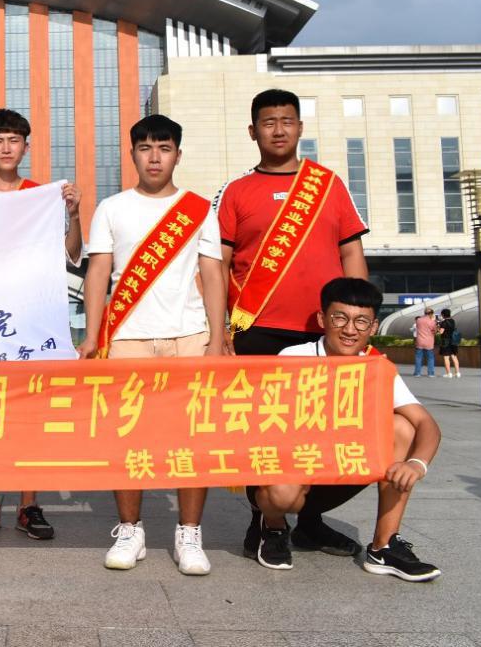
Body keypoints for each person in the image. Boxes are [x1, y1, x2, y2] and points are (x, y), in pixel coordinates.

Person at [215, 89, 370, 560]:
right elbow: (219, 265)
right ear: (253, 131)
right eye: (268, 122)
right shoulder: (236, 192)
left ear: (300, 127)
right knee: (262, 431)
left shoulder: (328, 185)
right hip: (257, 329)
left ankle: (310, 521)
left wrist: (361, 320)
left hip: (324, 332)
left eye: (287, 121)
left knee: (327, 429)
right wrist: (220, 329)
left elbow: (351, 253)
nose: (278, 130)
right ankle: (268, 520)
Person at [76, 115, 224, 575]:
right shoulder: (112, 208)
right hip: (128, 337)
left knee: (193, 438)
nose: (154, 157)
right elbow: (98, 273)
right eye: (145, 148)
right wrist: (92, 335)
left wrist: (217, 339)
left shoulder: (198, 208)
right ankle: (130, 530)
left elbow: (213, 274)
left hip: (188, 335)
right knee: (128, 436)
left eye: (163, 147)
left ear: (178, 154)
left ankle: (189, 533)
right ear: (132, 154)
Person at [250, 277, 442, 582]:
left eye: (361, 321)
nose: (350, 330)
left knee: (402, 426)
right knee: (284, 493)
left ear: (373, 327)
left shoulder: (377, 368)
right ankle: (273, 527)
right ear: (322, 319)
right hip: (288, 473)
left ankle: (383, 547)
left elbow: (426, 424)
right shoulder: (293, 358)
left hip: (339, 471)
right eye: (340, 318)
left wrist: (417, 464)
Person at [0, 107, 82, 541]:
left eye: (14, 140)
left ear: (26, 147)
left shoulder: (41, 196)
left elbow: (71, 255)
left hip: (32, 320)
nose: (6, 147)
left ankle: (29, 504)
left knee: (31, 415)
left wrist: (74, 214)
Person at [412, 308, 437, 378]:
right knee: (430, 358)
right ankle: (431, 373)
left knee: (418, 357)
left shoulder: (418, 320)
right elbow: (435, 331)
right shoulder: (432, 322)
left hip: (420, 341)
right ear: (431, 314)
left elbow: (418, 328)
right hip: (429, 342)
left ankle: (417, 373)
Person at [438, 308, 462, 378]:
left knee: (446, 357)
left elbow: (441, 332)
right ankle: (457, 373)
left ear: (443, 315)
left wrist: (438, 328)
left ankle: (449, 373)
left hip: (446, 341)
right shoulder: (453, 321)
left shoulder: (444, 322)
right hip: (453, 341)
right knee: (454, 357)